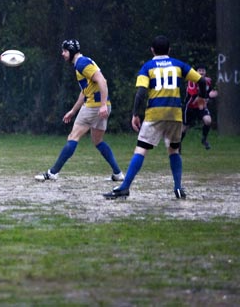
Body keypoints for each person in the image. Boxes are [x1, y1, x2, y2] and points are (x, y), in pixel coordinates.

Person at [105, 36, 208, 200]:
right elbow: (201, 81)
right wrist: (202, 97)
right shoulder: (179, 65)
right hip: (175, 114)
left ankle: (124, 188)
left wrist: (135, 114)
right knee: (174, 149)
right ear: (169, 50)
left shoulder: (147, 67)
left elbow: (140, 93)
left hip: (155, 113)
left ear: (152, 50)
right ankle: (178, 188)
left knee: (141, 149)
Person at [35, 39, 123, 182]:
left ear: (71, 51)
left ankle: (52, 173)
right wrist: (73, 111)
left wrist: (101, 106)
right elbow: (85, 91)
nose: (62, 54)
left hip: (94, 106)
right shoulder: (82, 64)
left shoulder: (82, 64)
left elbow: (102, 81)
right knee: (98, 140)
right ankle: (118, 174)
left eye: (64, 51)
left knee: (73, 137)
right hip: (102, 104)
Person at [182, 65, 218, 150]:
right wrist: (207, 97)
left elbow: (208, 92)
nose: (201, 72)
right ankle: (178, 144)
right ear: (196, 72)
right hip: (190, 107)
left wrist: (212, 94)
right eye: (199, 70)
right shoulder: (191, 81)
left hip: (200, 106)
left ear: (205, 72)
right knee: (184, 128)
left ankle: (204, 139)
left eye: (203, 70)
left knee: (208, 121)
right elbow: (195, 97)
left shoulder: (208, 81)